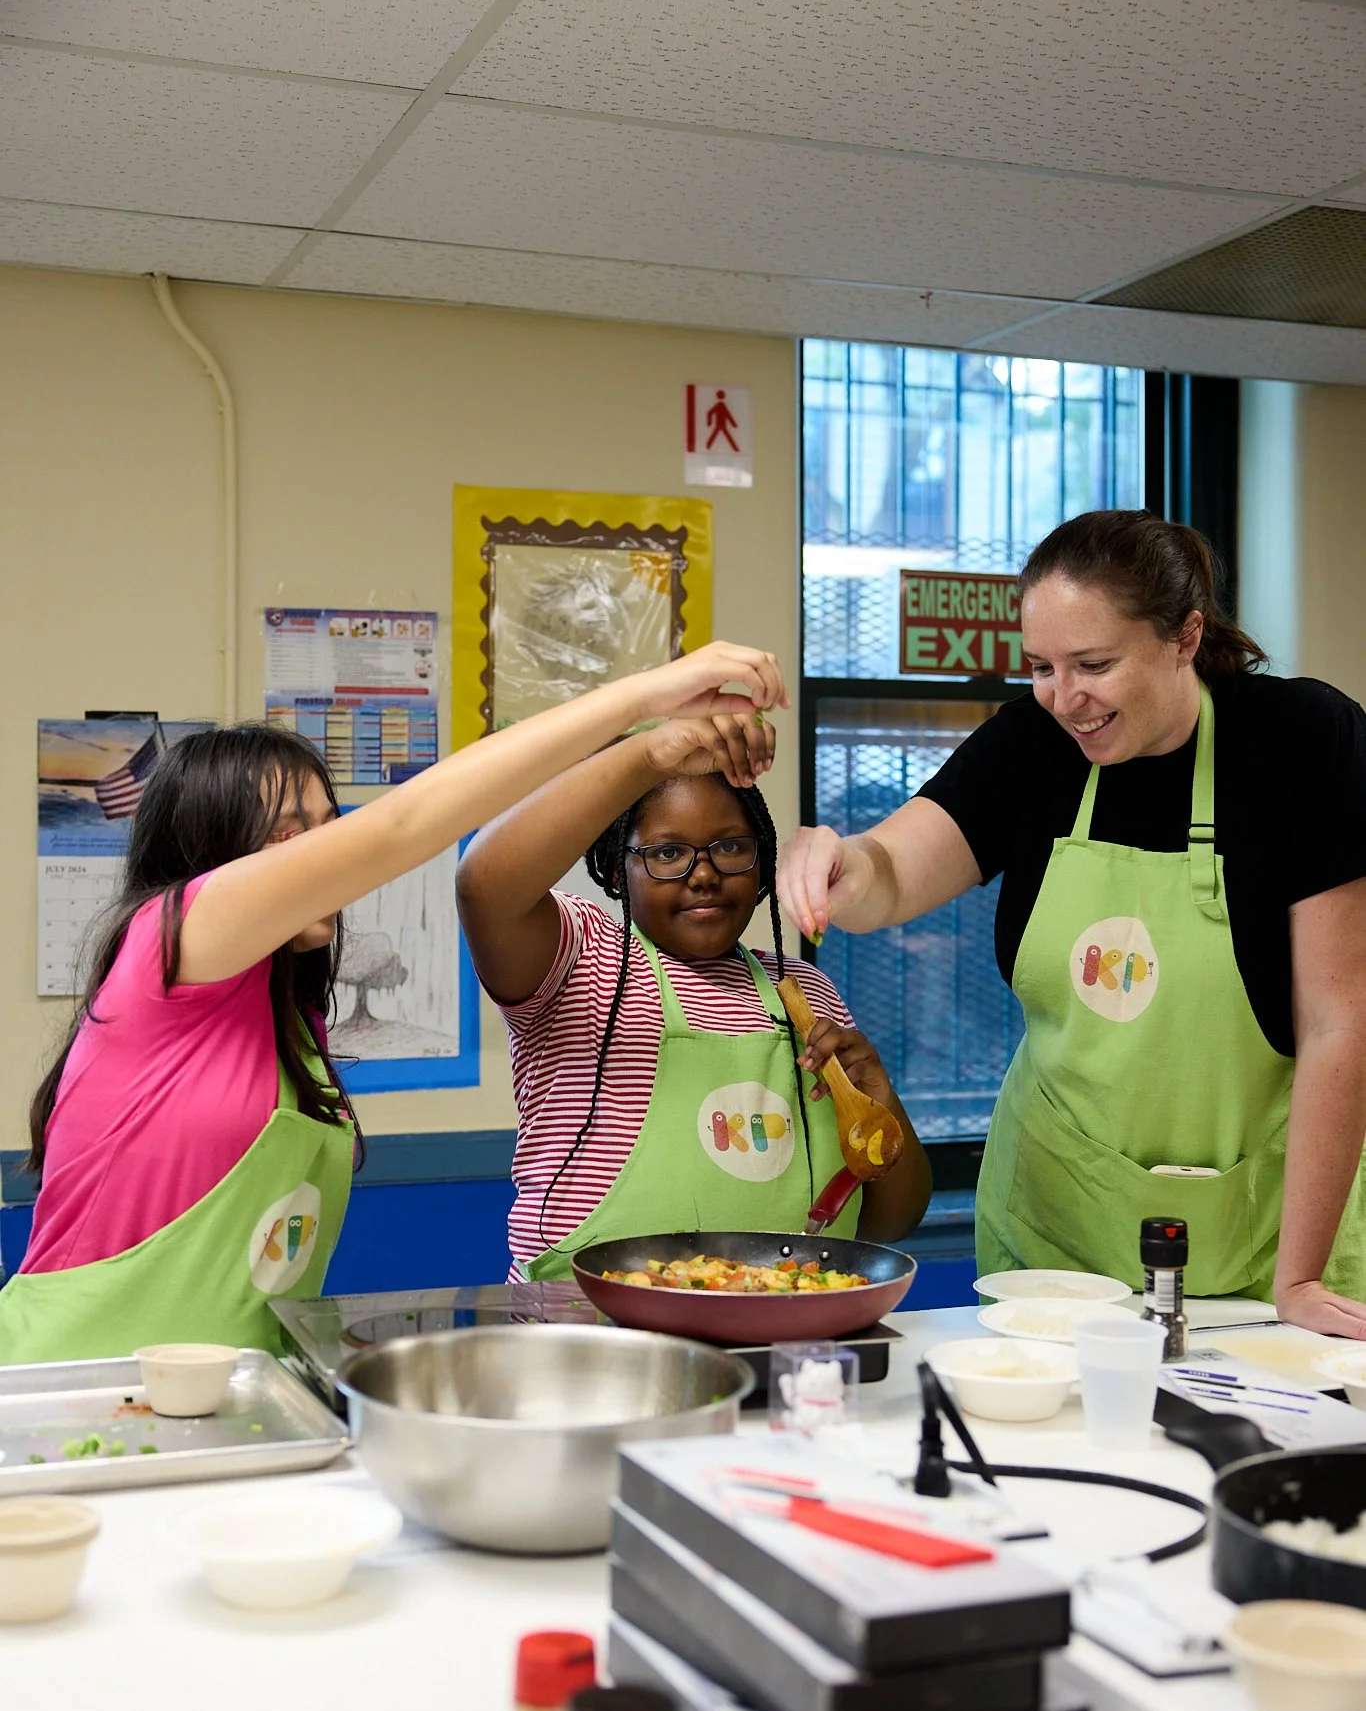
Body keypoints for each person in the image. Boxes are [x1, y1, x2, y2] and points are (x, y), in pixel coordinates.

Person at [1, 642, 787, 1362]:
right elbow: (407, 823)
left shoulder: (291, 1024)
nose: (325, 855)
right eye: (287, 835)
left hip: (231, 1387)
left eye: (325, 827)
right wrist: (646, 716)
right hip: (78, 1381)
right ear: (208, 854)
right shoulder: (167, 944)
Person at [779, 509, 1366, 1338]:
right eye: (1041, 668)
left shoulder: (1301, 740)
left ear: (1185, 636)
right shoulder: (1034, 744)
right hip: (1058, 1237)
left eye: (1094, 664)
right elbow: (894, 873)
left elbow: (1341, 1024)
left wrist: (1299, 1276)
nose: (1065, 699)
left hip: (1270, 1232)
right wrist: (842, 863)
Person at [456, 709, 930, 1279]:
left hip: (778, 1320)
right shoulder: (580, 960)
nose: (703, 874)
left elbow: (888, 1221)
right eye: (666, 853)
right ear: (617, 869)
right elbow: (484, 885)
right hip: (586, 1322)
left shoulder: (804, 992)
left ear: (761, 861)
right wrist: (645, 757)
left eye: (729, 847)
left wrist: (878, 1100)